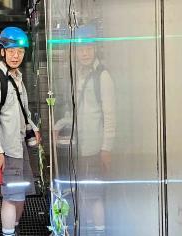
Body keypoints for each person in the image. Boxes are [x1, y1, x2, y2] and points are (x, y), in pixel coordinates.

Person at [55, 24, 115, 235]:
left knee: (94, 196)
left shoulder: (102, 76)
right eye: (81, 49)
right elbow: (77, 112)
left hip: (94, 149)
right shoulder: (79, 75)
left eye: (89, 47)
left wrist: (106, 149)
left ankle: (98, 232)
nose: (85, 52)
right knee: (83, 195)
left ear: (95, 48)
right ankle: (89, 230)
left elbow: (110, 116)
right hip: (79, 149)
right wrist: (59, 125)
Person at [0, 26, 41, 236]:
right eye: (12, 50)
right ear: (2, 51)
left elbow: (22, 110)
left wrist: (33, 128)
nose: (16, 55)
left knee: (20, 194)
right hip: (7, 151)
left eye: (20, 51)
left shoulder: (17, 77)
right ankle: (8, 232)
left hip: (19, 148)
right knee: (11, 196)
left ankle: (14, 229)